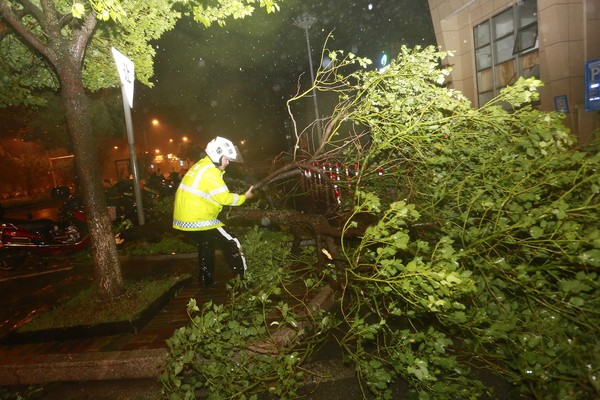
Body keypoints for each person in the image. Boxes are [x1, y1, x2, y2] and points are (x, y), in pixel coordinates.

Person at [173, 136, 254, 286]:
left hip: (184, 219)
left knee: (206, 243)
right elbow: (224, 198)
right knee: (232, 241)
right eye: (226, 159)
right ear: (217, 156)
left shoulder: (202, 166)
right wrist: (244, 197)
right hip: (198, 218)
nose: (228, 162)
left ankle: (206, 280)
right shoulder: (211, 172)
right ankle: (244, 279)